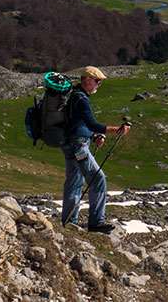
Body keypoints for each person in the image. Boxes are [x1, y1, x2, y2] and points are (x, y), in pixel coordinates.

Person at [61, 65, 131, 232]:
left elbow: (78, 124)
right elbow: (92, 124)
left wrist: (93, 136)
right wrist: (115, 130)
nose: (99, 85)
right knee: (98, 178)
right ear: (88, 79)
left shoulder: (73, 94)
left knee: (74, 182)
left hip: (69, 143)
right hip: (79, 146)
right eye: (97, 81)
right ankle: (96, 222)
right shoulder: (82, 99)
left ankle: (69, 222)